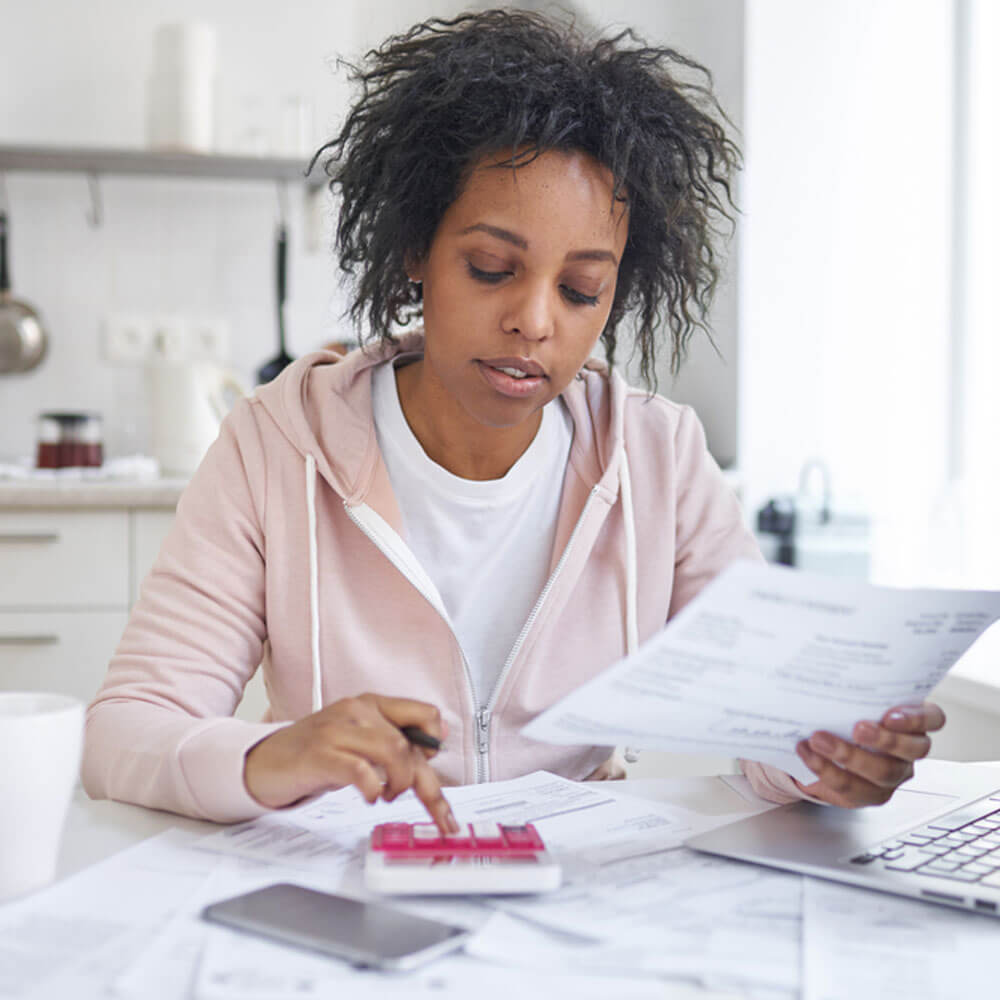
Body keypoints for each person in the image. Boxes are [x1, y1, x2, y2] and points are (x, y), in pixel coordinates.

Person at [82, 9, 944, 829]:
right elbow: (125, 730)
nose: (537, 321)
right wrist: (273, 756)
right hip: (349, 876)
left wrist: (829, 758)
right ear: (417, 250)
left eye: (581, 290)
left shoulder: (658, 457)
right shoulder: (274, 447)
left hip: (566, 890)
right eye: (493, 268)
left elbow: (771, 719)